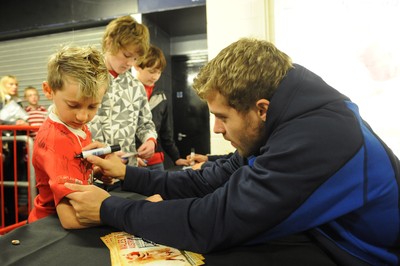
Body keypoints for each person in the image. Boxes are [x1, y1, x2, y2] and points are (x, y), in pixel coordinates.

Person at [65, 38, 400, 265]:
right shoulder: (288, 114)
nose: (216, 130)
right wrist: (128, 174)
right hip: (326, 233)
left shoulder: (318, 137)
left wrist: (111, 209)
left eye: (222, 117)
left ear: (261, 108)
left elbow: (213, 221)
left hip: (364, 256)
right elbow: (213, 179)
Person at [27, 45, 110, 228]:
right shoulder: (55, 140)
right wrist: (130, 212)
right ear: (49, 91)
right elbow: (71, 218)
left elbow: (72, 173)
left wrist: (95, 171)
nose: (83, 116)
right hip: (49, 228)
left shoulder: (74, 124)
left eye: (92, 107)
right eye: (73, 105)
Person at [89, 15, 157, 167]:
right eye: (126, 55)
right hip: (91, 171)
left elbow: (145, 123)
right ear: (109, 43)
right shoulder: (85, 78)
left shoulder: (136, 86)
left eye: (135, 59)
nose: (129, 63)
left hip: (125, 171)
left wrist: (150, 140)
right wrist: (104, 153)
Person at [134, 44, 189, 170]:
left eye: (159, 72)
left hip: (156, 162)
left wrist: (176, 157)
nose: (155, 76)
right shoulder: (127, 93)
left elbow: (166, 132)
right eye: (151, 71)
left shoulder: (161, 97)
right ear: (137, 66)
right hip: (133, 161)